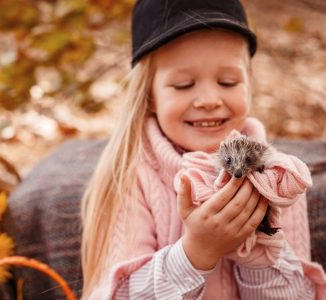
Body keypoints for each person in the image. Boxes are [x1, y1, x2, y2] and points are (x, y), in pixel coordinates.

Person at [81, 0, 326, 299]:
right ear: (150, 96)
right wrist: (197, 251)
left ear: (248, 84)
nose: (209, 99)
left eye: (228, 81)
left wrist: (259, 258)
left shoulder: (276, 178)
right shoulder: (131, 177)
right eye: (184, 84)